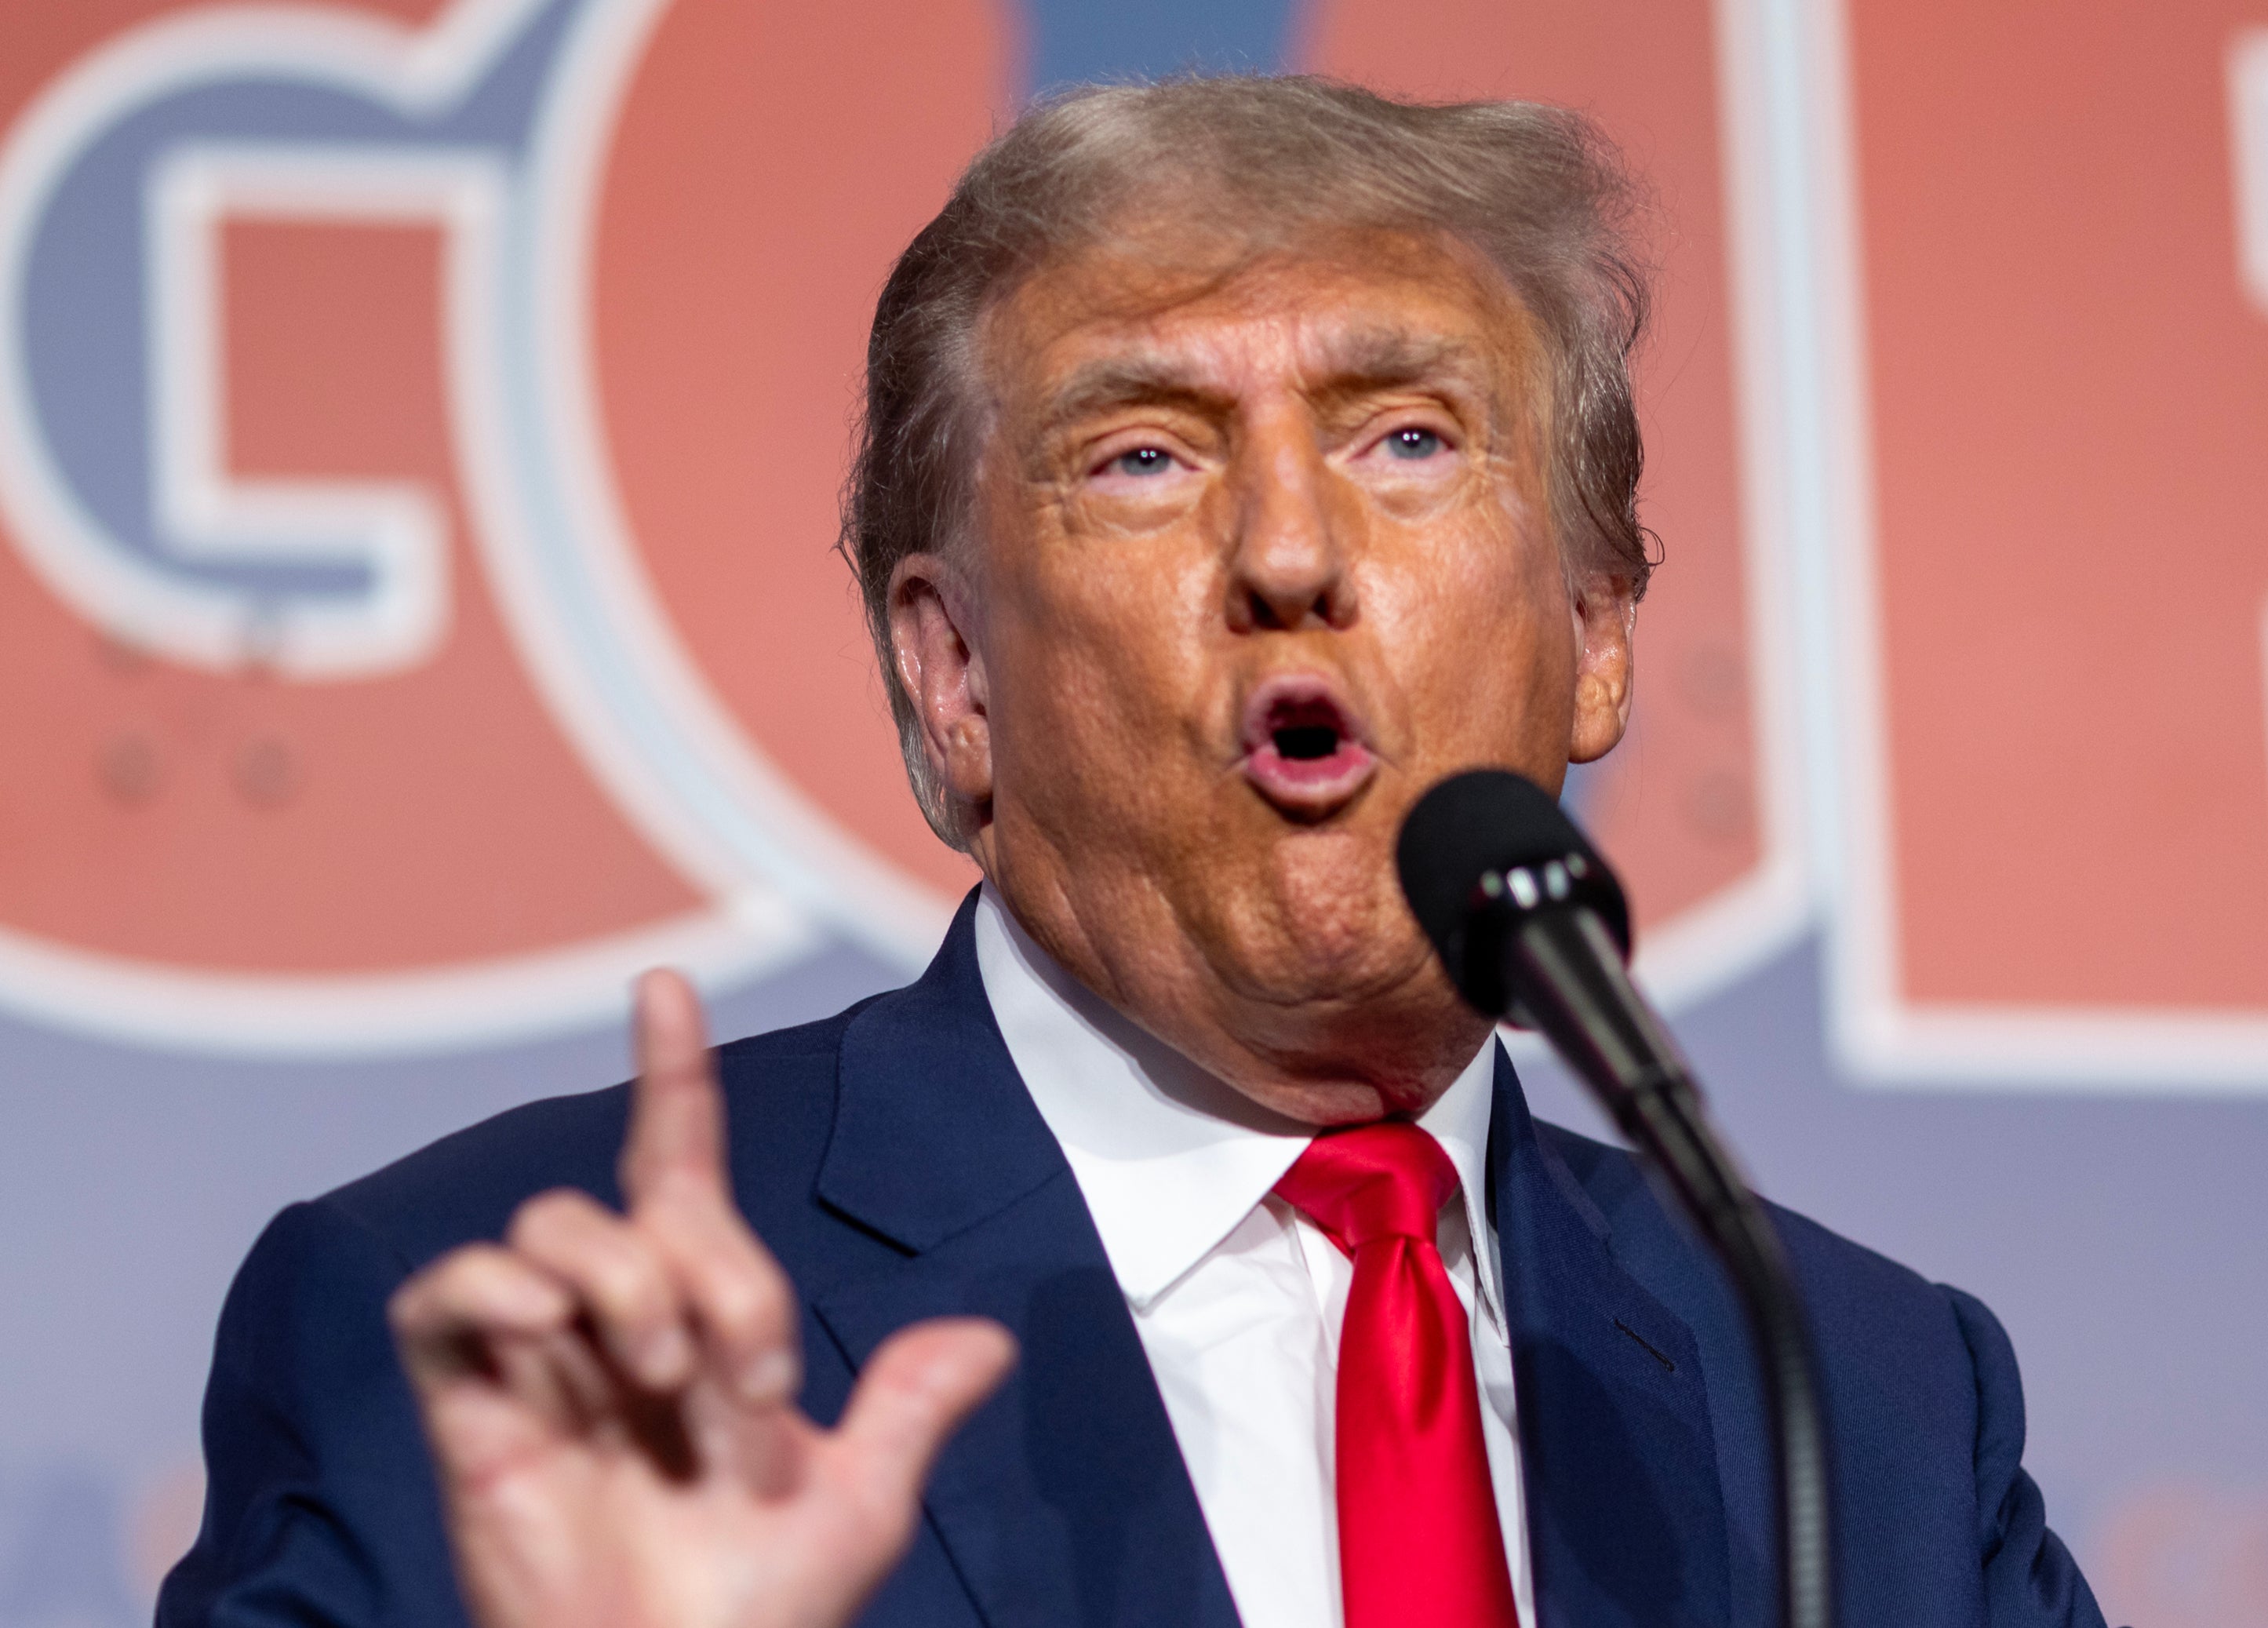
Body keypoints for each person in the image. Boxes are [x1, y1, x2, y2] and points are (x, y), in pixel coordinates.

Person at [158, 77, 2110, 1628]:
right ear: (955, 681)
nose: (1288, 551)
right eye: (1147, 458)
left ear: (1596, 637)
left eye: (1410, 439)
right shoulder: (504, 1342)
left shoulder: (1860, 1397)